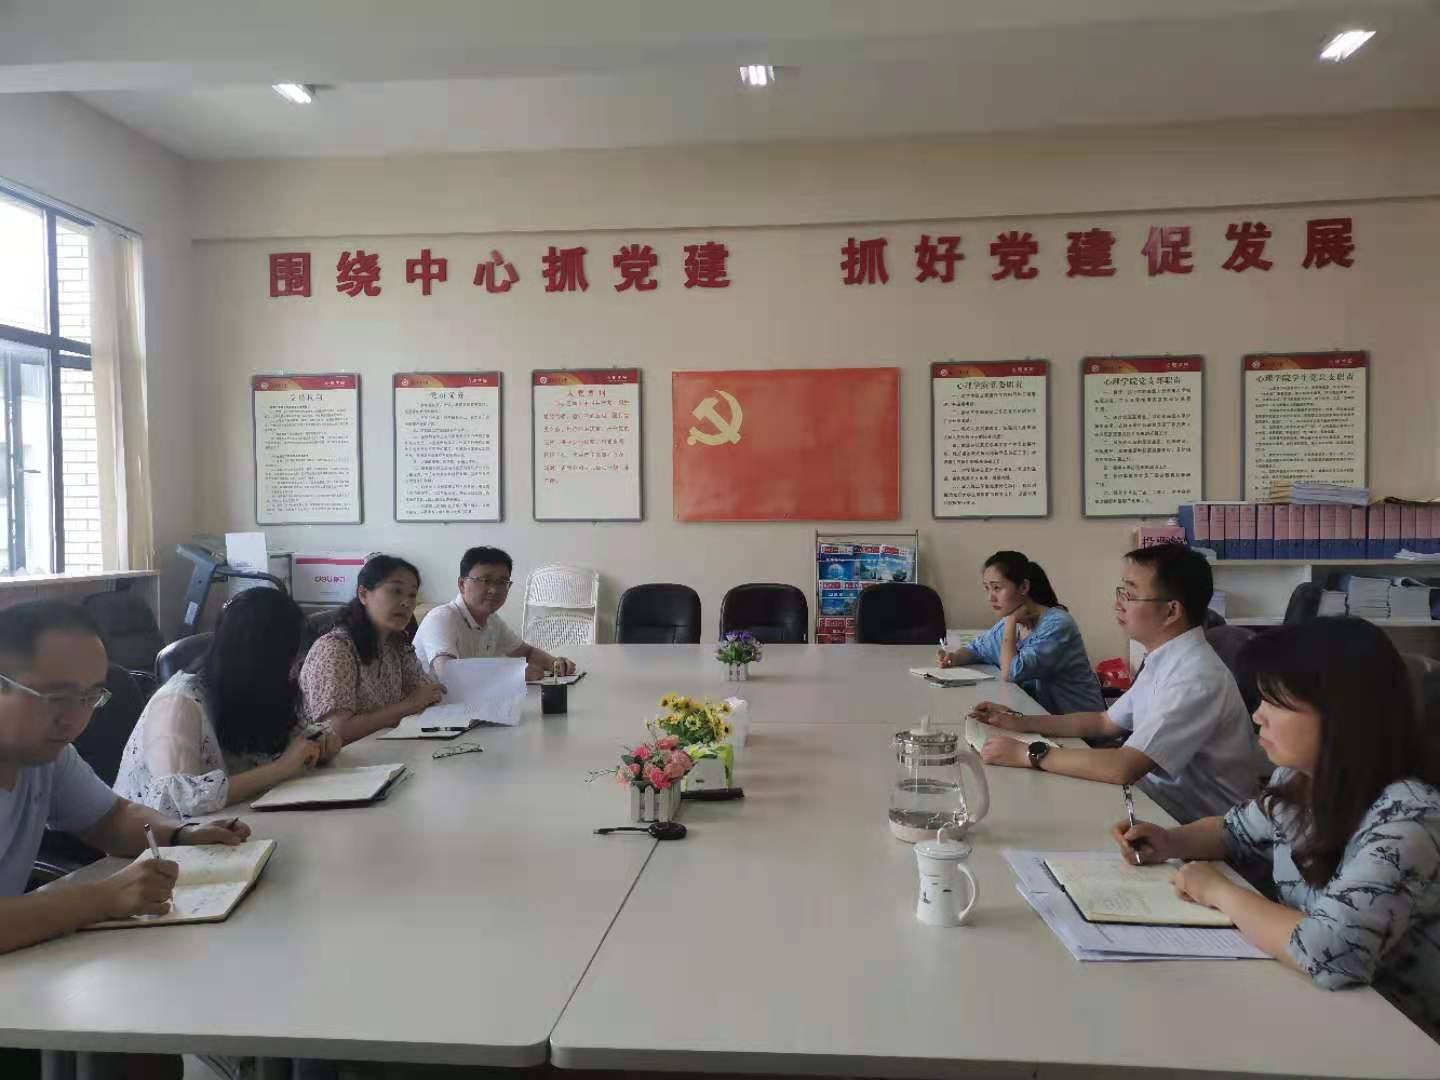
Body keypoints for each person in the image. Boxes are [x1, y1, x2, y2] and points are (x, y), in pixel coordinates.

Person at [1112, 618, 1440, 1041]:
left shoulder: (1409, 817)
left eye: (1275, 703)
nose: (1257, 716)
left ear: (1342, 715)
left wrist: (1219, 892)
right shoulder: (1297, 778)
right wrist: (1171, 841)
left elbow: (1332, 953)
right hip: (1310, 1001)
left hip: (1399, 1033)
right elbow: (1233, 831)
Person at [0, 601, 250, 950]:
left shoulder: (47, 757)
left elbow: (111, 818)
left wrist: (181, 834)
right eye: (57, 697)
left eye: (89, 697)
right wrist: (103, 899)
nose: (74, 719)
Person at [975, 544, 1261, 823]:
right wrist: (1019, 722)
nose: (1118, 604)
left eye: (1130, 595)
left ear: (1171, 611)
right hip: (1152, 803)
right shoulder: (1165, 658)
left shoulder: (1195, 677)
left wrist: (1027, 753)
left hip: (1194, 829)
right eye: (1121, 592)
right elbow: (1104, 722)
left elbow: (1124, 766)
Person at [115, 588, 341, 816]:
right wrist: (280, 769)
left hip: (234, 822)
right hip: (160, 835)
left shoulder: (248, 690)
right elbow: (178, 800)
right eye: (291, 661)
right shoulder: (178, 704)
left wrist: (317, 740)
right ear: (263, 660)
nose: (295, 672)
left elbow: (282, 742)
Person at [937, 550, 1104, 714]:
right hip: (1039, 718)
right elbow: (977, 649)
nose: (990, 597)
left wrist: (1010, 622)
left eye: (997, 588)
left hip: (1082, 726)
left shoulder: (1057, 625)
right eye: (987, 588)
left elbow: (1011, 672)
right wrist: (953, 658)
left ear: (1024, 586)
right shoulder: (1013, 623)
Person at [300, 555, 444, 744]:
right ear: (363, 594)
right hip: (334, 758)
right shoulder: (336, 649)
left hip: (382, 749)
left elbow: (426, 693)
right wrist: (409, 705)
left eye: (412, 595)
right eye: (396, 591)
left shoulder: (396, 644)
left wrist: (425, 698)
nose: (406, 603)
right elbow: (336, 731)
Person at [412, 546, 577, 680]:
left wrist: (556, 664)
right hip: (431, 707)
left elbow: (527, 653)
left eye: (502, 582)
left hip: (471, 703)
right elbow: (449, 675)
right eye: (485, 581)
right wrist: (515, 674)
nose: (494, 590)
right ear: (462, 584)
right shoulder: (442, 618)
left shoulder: (492, 620)